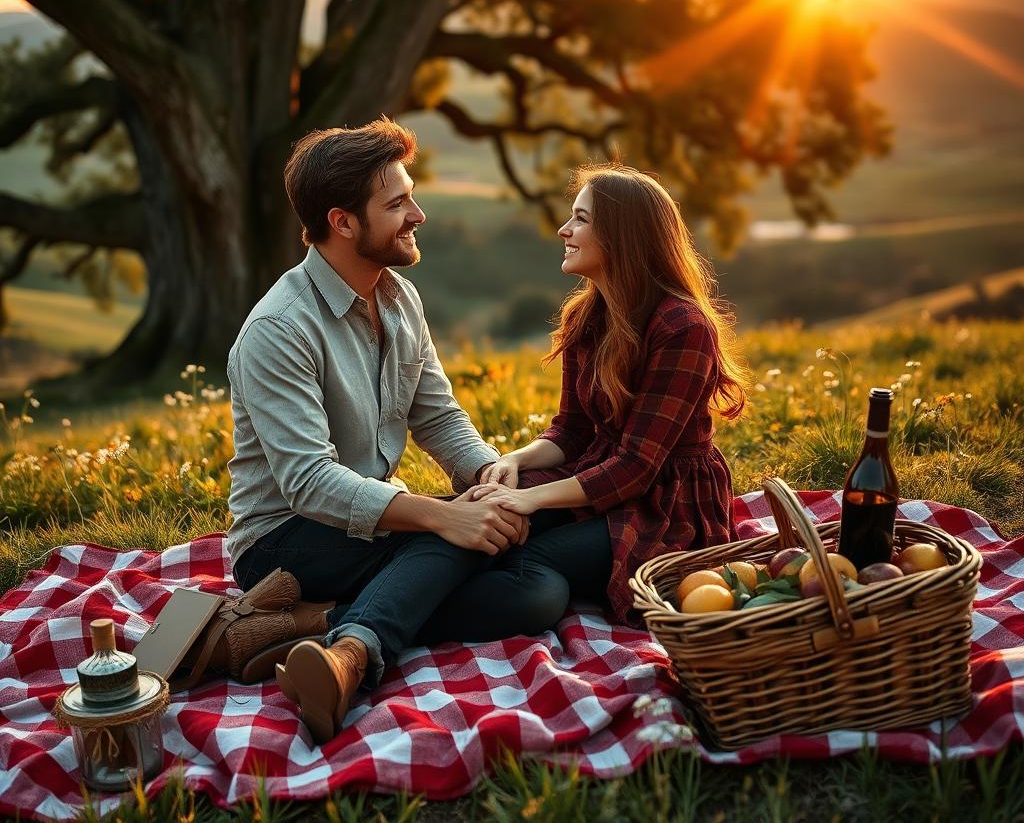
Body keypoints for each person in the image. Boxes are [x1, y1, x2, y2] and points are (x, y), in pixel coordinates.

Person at [225, 119, 568, 745]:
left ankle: (315, 625)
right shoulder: (280, 328)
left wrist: (491, 478)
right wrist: (441, 518)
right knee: (462, 542)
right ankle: (350, 655)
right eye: (396, 202)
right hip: (284, 540)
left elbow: (437, 416)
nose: (418, 213)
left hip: (371, 522)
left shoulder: (399, 298)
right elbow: (307, 482)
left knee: (537, 591)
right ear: (343, 221)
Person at [442, 164, 751, 627]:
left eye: (581, 219)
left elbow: (637, 467)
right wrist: (517, 462)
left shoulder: (684, 328)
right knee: (483, 511)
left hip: (664, 502)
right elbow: (572, 429)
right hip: (595, 472)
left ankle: (349, 616)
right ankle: (360, 611)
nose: (565, 230)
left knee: (530, 560)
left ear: (622, 235)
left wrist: (535, 498)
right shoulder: (586, 317)